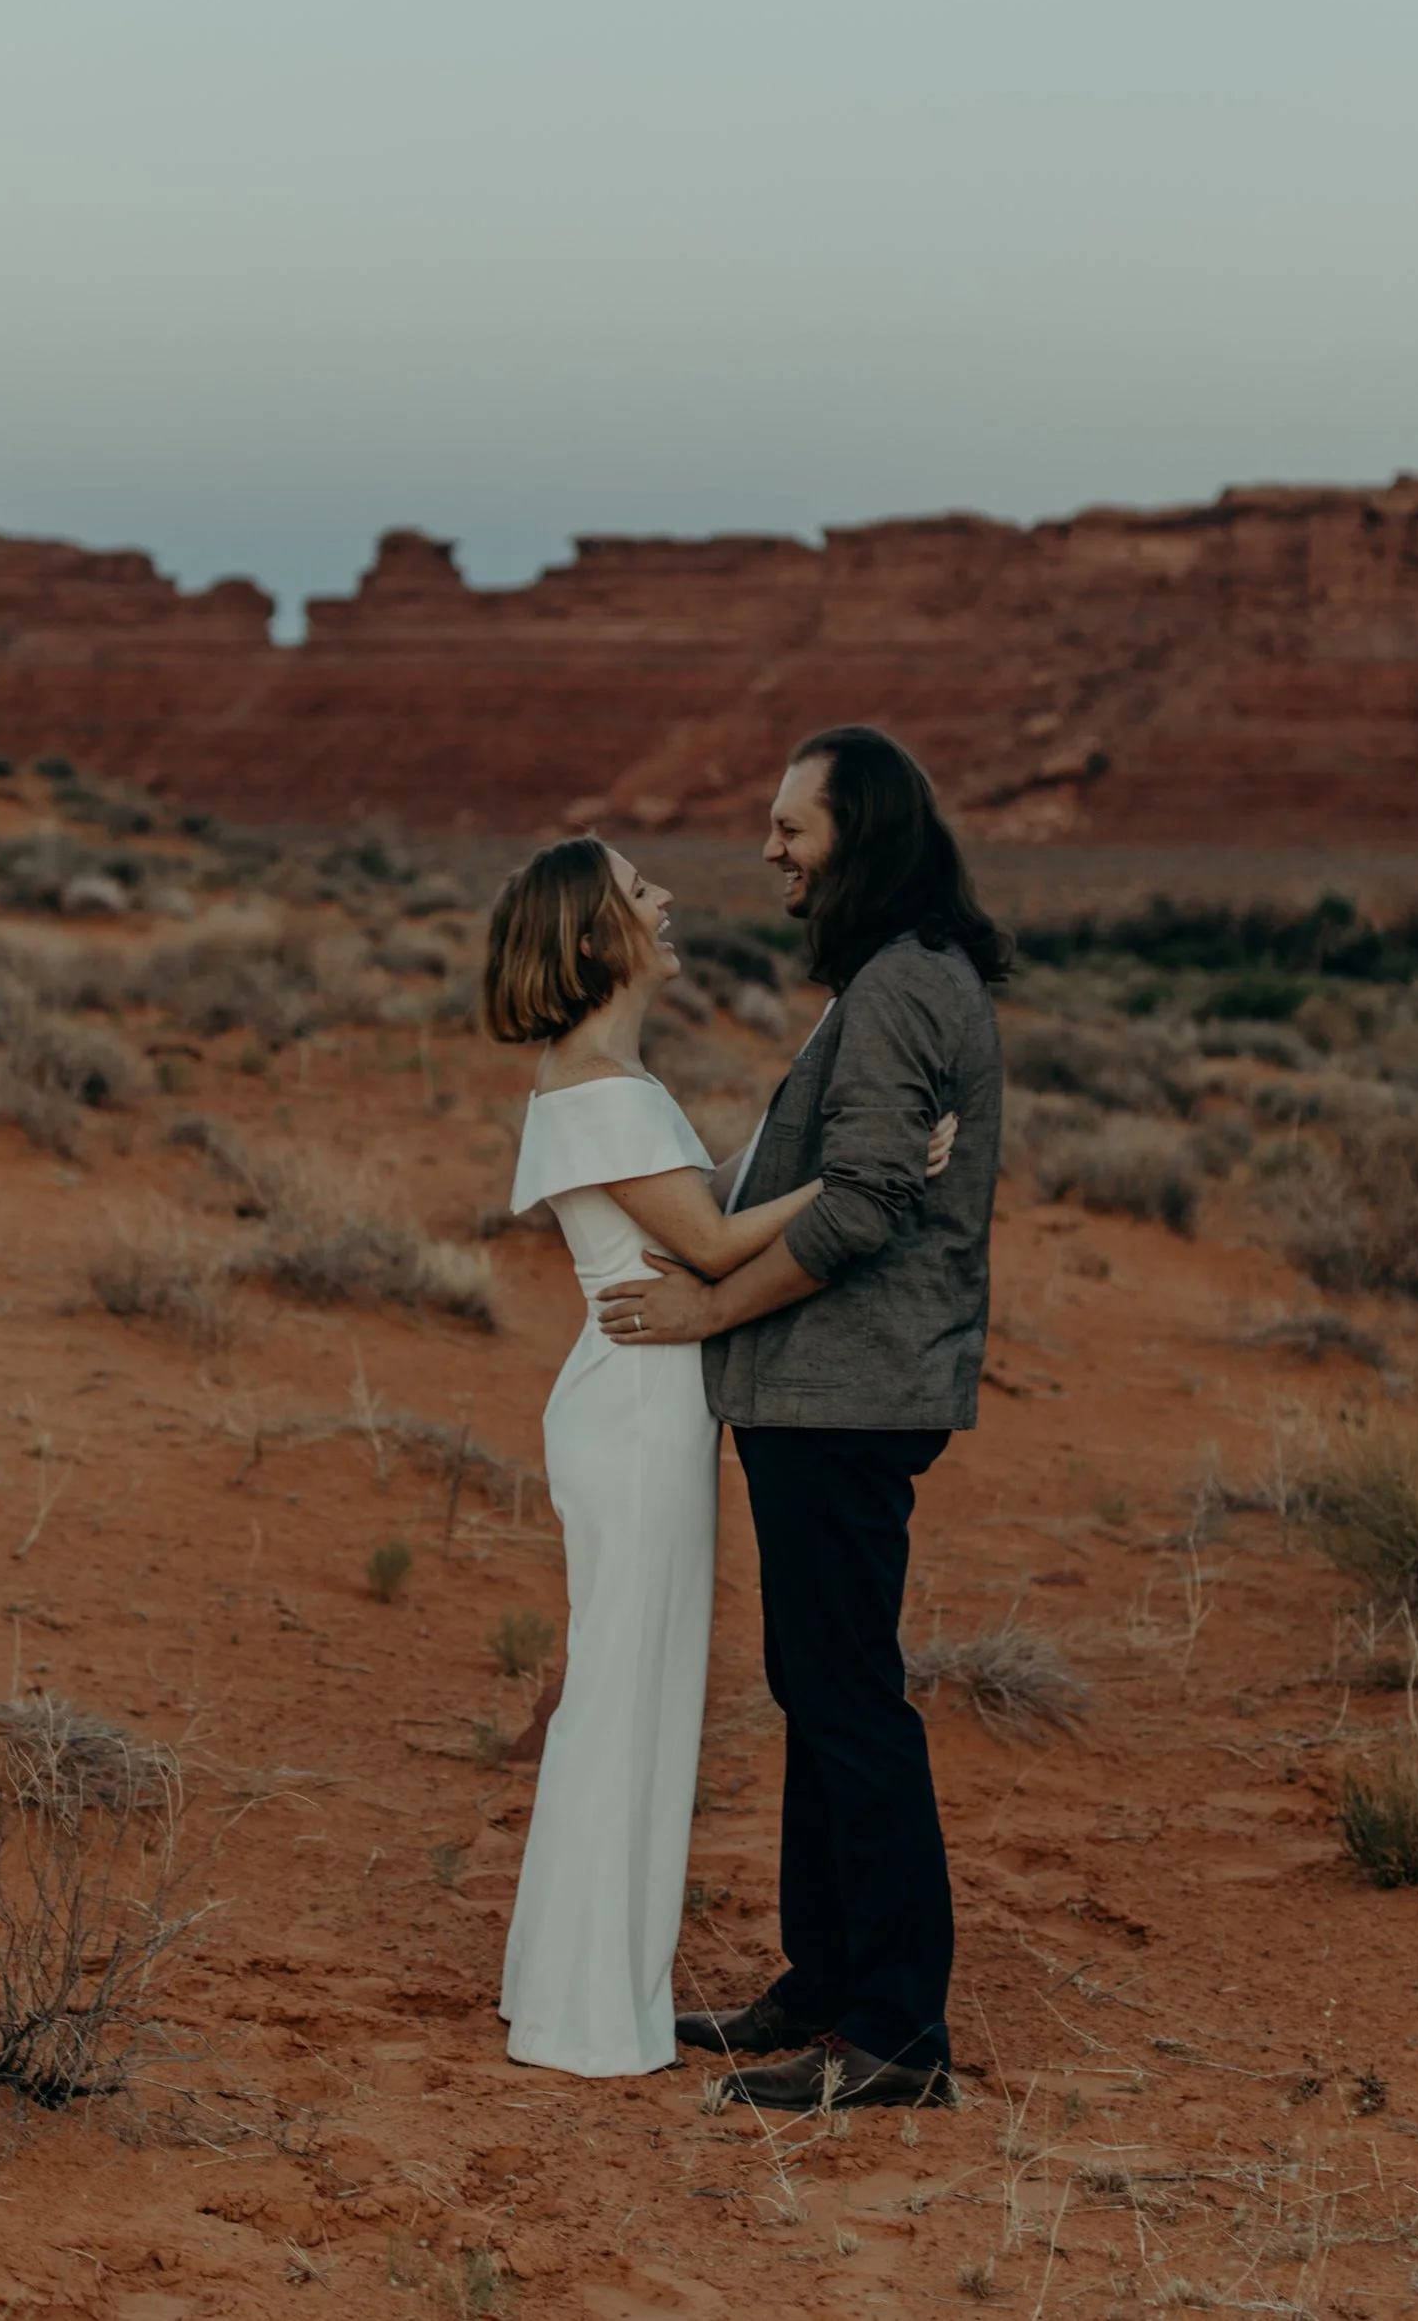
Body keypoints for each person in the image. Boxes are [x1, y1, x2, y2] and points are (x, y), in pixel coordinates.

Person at [482, 831, 956, 2079]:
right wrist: (871, 1173)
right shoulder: (596, 1083)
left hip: (638, 1402)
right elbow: (703, 1243)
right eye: (641, 891)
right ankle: (585, 2013)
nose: (667, 897)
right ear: (597, 938)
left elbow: (700, 1204)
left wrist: (828, 1177)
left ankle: (564, 1985)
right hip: (637, 1407)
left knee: (622, 1694)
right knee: (629, 1700)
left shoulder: (596, 1077)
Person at [600, 724, 1007, 2112]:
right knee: (820, 1686)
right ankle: (823, 1982)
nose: (771, 848)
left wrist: (709, 1310)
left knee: (849, 1701)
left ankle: (894, 2032)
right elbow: (827, 1171)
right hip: (830, 1391)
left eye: (796, 827)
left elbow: (866, 1199)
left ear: (865, 837)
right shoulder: (897, 978)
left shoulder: (901, 988)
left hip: (847, 1391)